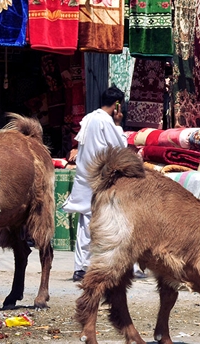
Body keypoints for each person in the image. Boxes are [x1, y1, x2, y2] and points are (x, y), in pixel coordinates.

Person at [62, 86, 128, 282]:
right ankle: (109, 265)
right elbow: (120, 146)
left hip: (86, 177)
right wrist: (118, 124)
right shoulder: (105, 121)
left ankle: (80, 267)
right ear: (117, 105)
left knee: (86, 222)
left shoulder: (90, 117)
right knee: (108, 221)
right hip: (99, 179)